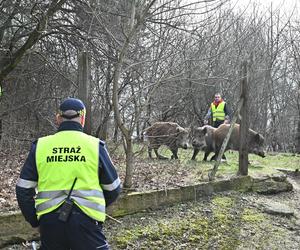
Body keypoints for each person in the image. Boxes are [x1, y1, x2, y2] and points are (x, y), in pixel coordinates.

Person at [16, 97, 121, 250]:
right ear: (83, 118)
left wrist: (35, 220)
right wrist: (95, 208)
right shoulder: (94, 146)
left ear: (58, 118)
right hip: (87, 222)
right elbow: (113, 189)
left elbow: (23, 189)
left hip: (50, 222)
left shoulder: (41, 146)